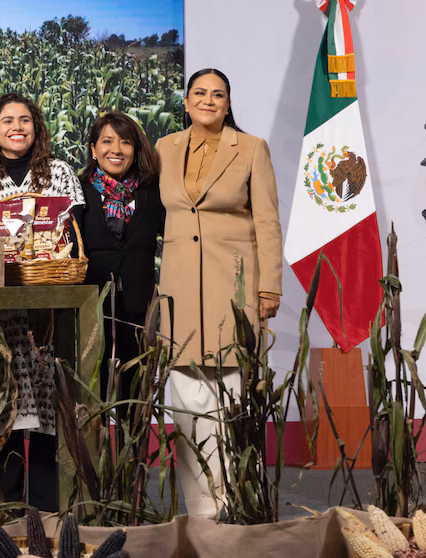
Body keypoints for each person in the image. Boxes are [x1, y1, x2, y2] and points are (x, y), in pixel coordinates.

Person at [155, 68, 282, 518]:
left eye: (219, 94)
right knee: (187, 406)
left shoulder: (251, 149)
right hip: (180, 292)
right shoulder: (164, 148)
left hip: (234, 289)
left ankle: (236, 510)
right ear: (186, 101)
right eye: (200, 93)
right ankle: (203, 516)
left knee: (232, 402)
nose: (208, 100)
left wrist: (269, 286)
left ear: (229, 104)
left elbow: (267, 221)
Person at [0, 92, 84, 511]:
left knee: (49, 409)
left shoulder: (59, 174)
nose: (17, 127)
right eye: (7, 120)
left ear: (37, 127)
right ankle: (6, 507)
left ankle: (48, 509)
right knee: (2, 411)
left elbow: (73, 235)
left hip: (48, 310)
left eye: (25, 120)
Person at [73, 111, 165, 417]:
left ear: (136, 150)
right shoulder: (80, 190)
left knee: (136, 393)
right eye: (107, 141)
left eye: (125, 142)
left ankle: (133, 464)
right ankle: (94, 464)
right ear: (93, 149)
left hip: (139, 305)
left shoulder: (152, 191)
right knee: (90, 392)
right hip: (92, 305)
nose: (116, 149)